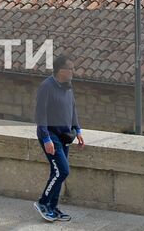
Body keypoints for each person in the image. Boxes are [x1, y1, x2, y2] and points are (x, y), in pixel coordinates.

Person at [34, 54, 84, 222]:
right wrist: (46, 138)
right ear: (60, 70)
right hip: (51, 135)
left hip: (65, 136)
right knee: (62, 170)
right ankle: (43, 203)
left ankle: (53, 208)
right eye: (70, 68)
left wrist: (78, 129)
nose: (73, 71)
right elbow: (40, 115)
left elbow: (72, 108)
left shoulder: (68, 86)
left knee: (58, 172)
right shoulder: (46, 87)